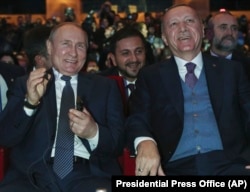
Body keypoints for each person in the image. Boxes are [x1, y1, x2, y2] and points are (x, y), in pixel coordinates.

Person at [125, 4, 250, 176]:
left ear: (203, 30)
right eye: (173, 24)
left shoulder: (232, 71)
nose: (183, 28)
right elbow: (137, 118)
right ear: (165, 38)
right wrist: (144, 141)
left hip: (230, 164)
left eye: (189, 21)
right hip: (174, 169)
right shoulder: (150, 76)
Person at [0, 22, 125, 191]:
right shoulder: (27, 84)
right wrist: (30, 103)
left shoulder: (105, 88)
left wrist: (93, 132)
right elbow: (6, 137)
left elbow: (118, 144)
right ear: (49, 47)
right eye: (65, 44)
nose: (73, 53)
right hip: (31, 175)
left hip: (88, 174)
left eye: (80, 46)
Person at [100, 26, 147, 116]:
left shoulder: (158, 81)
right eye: (126, 53)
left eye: (139, 51)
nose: (134, 59)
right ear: (113, 59)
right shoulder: (101, 85)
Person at [205, 10, 250, 80]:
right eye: (223, 27)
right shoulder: (197, 64)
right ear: (209, 34)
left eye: (234, 28)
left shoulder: (246, 65)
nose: (230, 33)